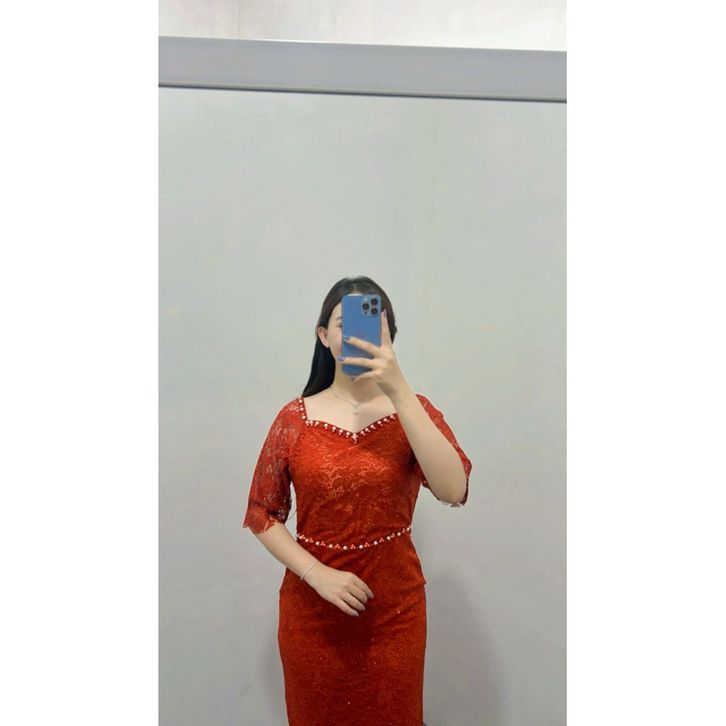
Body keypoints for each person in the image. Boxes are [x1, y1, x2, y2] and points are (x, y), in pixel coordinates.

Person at [242, 276, 472, 725]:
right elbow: (261, 513)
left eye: (372, 322)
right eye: (342, 323)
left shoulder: (414, 411)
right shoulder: (294, 419)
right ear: (323, 336)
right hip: (312, 613)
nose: (356, 333)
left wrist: (399, 389)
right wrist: (317, 574)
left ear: (389, 335)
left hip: (394, 612)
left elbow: (453, 490)